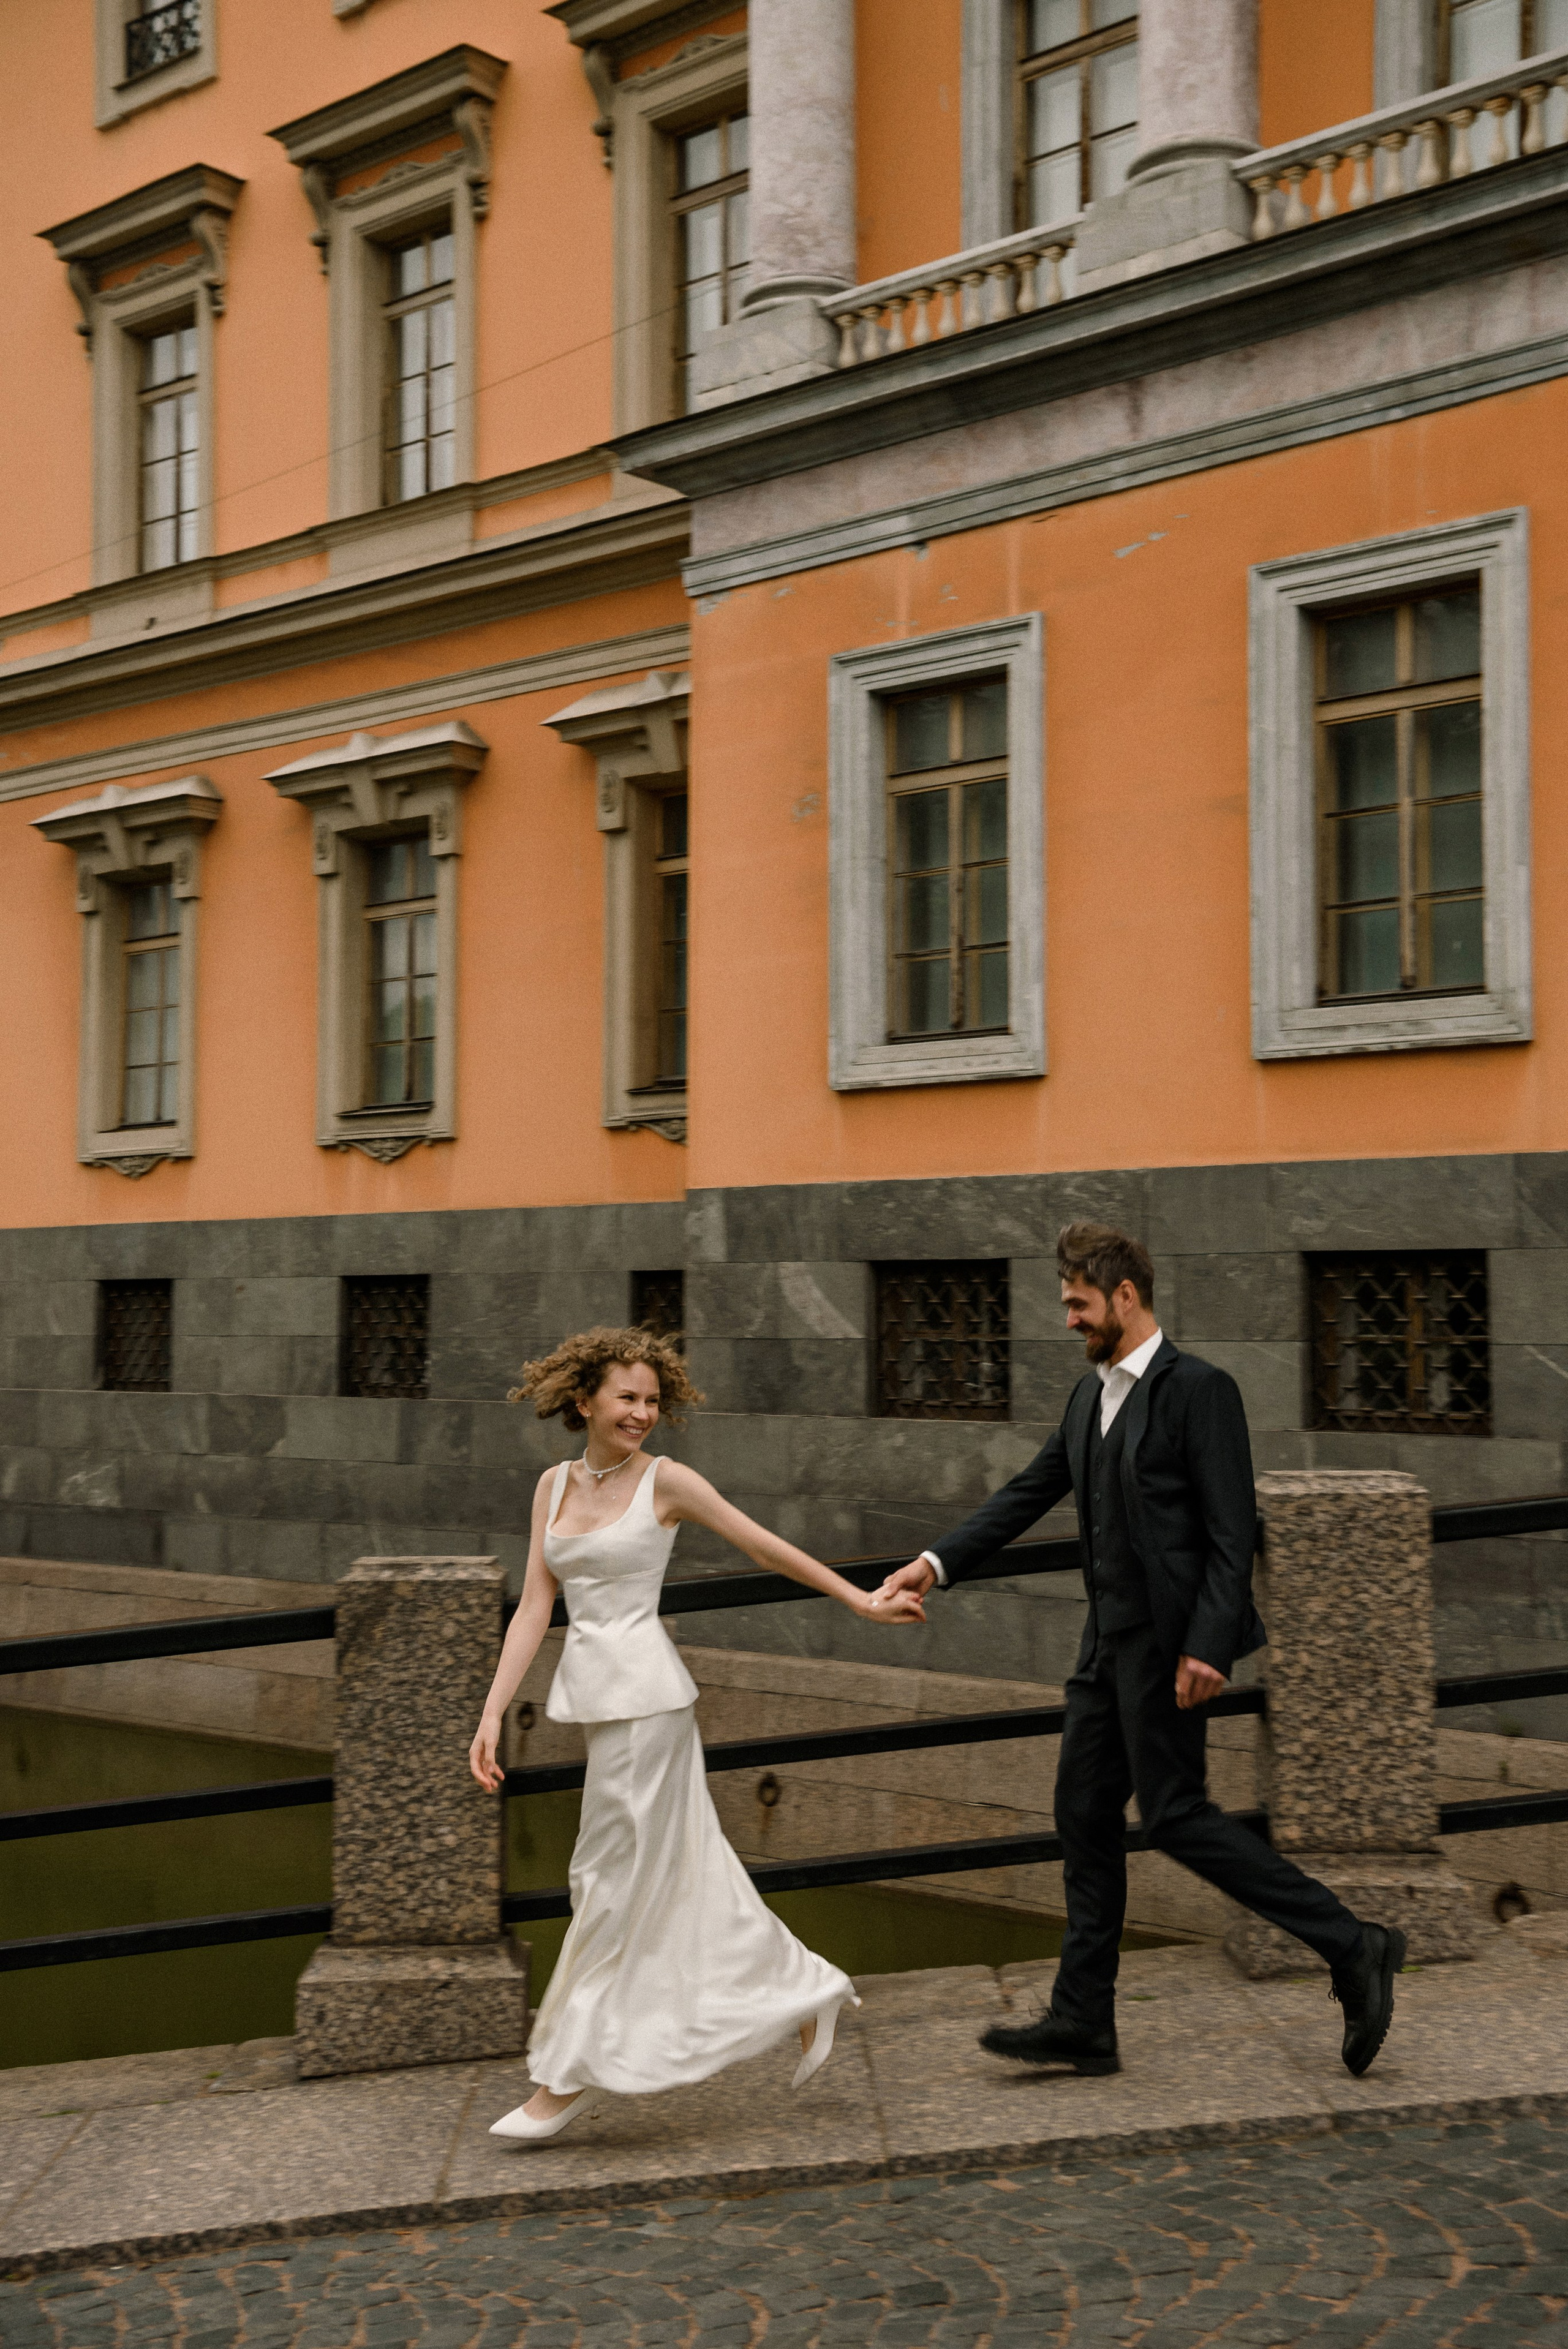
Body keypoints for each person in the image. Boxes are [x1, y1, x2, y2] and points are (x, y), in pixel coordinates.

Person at [874, 1222, 1406, 2082]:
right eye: (1067, 1306)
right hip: (1105, 1647)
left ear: (1125, 1296)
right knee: (1083, 1815)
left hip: (1168, 1648)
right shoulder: (1089, 1399)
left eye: (1080, 1304)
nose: (1070, 1320)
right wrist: (935, 1564)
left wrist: (1209, 1644)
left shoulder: (1202, 1390)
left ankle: (1354, 1945)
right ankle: (1084, 2020)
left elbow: (1234, 1534)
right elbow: (1029, 1491)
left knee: (1175, 1817)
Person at [469, 1324, 925, 2143]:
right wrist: (493, 1709)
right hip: (602, 1704)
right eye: (628, 1398)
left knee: (611, 1880)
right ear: (585, 1401)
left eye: (653, 1400)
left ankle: (565, 2082)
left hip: (650, 1704)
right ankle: (804, 1990)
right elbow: (537, 1604)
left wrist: (861, 1601)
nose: (644, 1413)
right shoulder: (552, 1487)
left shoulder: (667, 1482)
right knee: (659, 1873)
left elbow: (761, 1545)